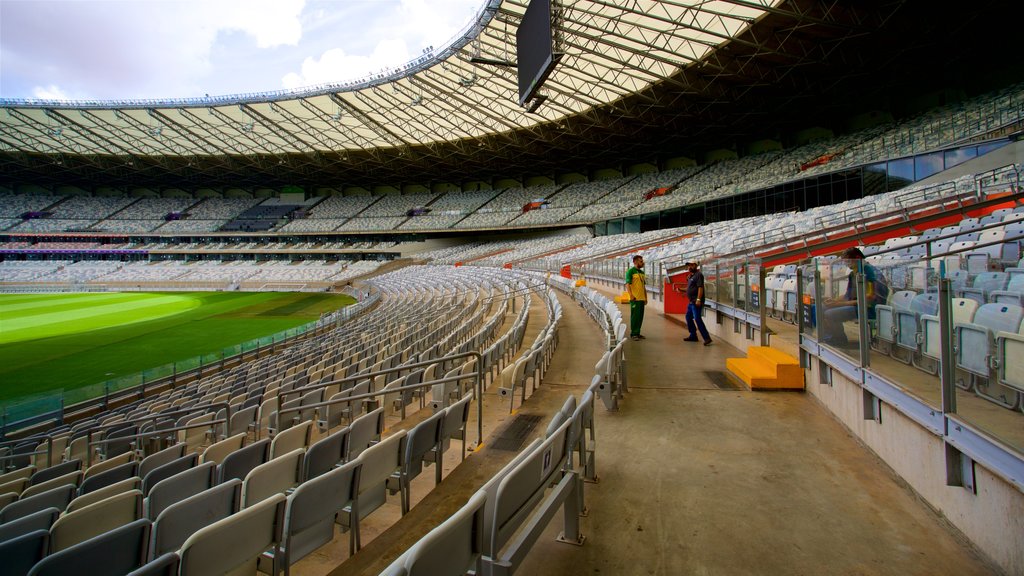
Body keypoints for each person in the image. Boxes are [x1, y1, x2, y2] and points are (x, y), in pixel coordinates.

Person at [820, 247, 886, 347]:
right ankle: (832, 337)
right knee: (822, 308)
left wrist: (840, 304)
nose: (847, 263)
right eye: (845, 261)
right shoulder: (852, 274)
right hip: (856, 305)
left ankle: (840, 340)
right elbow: (848, 295)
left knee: (830, 314)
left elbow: (870, 297)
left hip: (868, 309)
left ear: (857, 257)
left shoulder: (868, 271)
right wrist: (834, 300)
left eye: (848, 260)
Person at [683, 261, 712, 346]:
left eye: (691, 265)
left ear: (696, 265)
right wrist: (681, 290)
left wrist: (698, 299)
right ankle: (693, 335)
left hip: (696, 301)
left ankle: (707, 338)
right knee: (688, 317)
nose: (689, 267)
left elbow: (700, 288)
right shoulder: (691, 276)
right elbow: (689, 289)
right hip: (691, 302)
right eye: (688, 265)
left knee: (697, 319)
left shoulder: (699, 275)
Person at [625, 255, 647, 341]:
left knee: (640, 317)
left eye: (642, 261)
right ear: (635, 262)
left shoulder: (642, 273)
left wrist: (645, 297)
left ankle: (638, 332)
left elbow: (643, 286)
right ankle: (633, 333)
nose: (642, 263)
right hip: (635, 298)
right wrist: (631, 295)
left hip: (641, 298)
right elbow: (627, 284)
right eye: (640, 261)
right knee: (635, 316)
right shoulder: (630, 271)